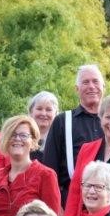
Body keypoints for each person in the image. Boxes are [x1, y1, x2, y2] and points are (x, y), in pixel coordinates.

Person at [41, 64, 104, 202]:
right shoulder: (62, 121)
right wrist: (57, 207)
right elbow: (49, 170)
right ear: (77, 89)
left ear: (103, 87)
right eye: (85, 82)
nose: (91, 86)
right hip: (71, 201)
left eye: (95, 81)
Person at [27, 91, 59, 155]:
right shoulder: (21, 137)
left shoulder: (60, 138)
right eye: (39, 109)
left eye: (48, 110)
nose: (43, 113)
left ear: (55, 114)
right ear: (31, 112)